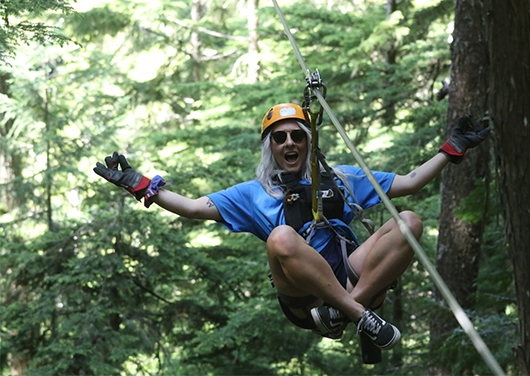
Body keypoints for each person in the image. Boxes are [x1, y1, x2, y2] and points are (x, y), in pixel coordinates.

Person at [94, 103, 490, 350]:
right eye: (279, 137)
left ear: (308, 141)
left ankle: (352, 311)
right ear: (270, 146)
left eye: (297, 136)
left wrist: (450, 149)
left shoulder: (341, 178)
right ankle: (356, 314)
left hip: (350, 278)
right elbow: (193, 207)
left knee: (409, 221)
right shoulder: (254, 193)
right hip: (304, 297)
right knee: (281, 235)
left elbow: (411, 182)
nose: (289, 143)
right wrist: (140, 185)